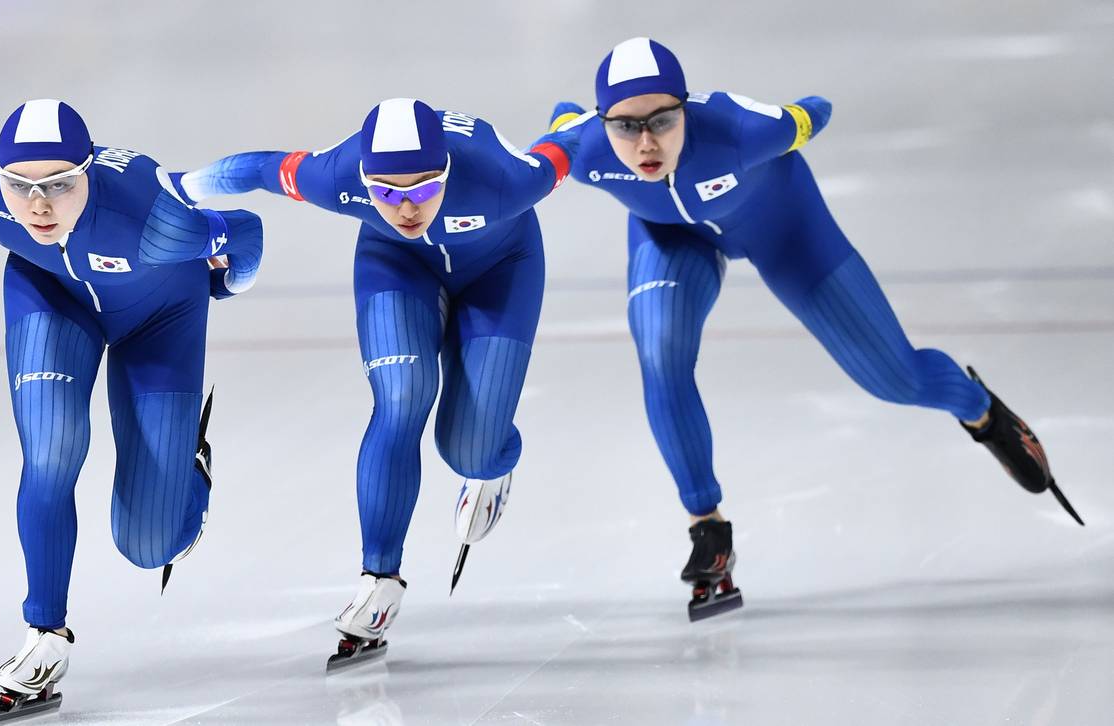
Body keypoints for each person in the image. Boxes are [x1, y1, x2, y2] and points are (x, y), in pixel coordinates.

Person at [545, 37, 1082, 621]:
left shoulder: (740, 130)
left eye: (663, 121)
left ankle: (981, 410)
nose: (646, 143)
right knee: (660, 351)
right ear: (603, 122)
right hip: (674, 241)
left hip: (786, 230)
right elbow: (549, 140)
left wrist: (795, 118)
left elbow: (814, 111)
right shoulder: (586, 148)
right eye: (625, 126)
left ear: (686, 109)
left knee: (895, 379)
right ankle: (707, 526)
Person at [0, 99, 263, 718]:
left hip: (161, 318)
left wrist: (226, 282)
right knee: (51, 451)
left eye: (59, 185)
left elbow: (247, 231)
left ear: (88, 171)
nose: (39, 205)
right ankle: (45, 634)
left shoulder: (158, 219)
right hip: (53, 302)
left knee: (150, 543)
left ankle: (188, 468)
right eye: (20, 186)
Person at [171, 98, 577, 668]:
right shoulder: (336, 174)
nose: (406, 206)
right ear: (363, 180)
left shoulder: (506, 179)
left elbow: (566, 146)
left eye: (424, 188)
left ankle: (493, 461)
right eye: (385, 192)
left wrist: (570, 121)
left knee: (469, 448)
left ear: (448, 172)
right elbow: (260, 168)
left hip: (502, 269)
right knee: (401, 397)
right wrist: (179, 187)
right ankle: (379, 577)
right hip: (396, 268)